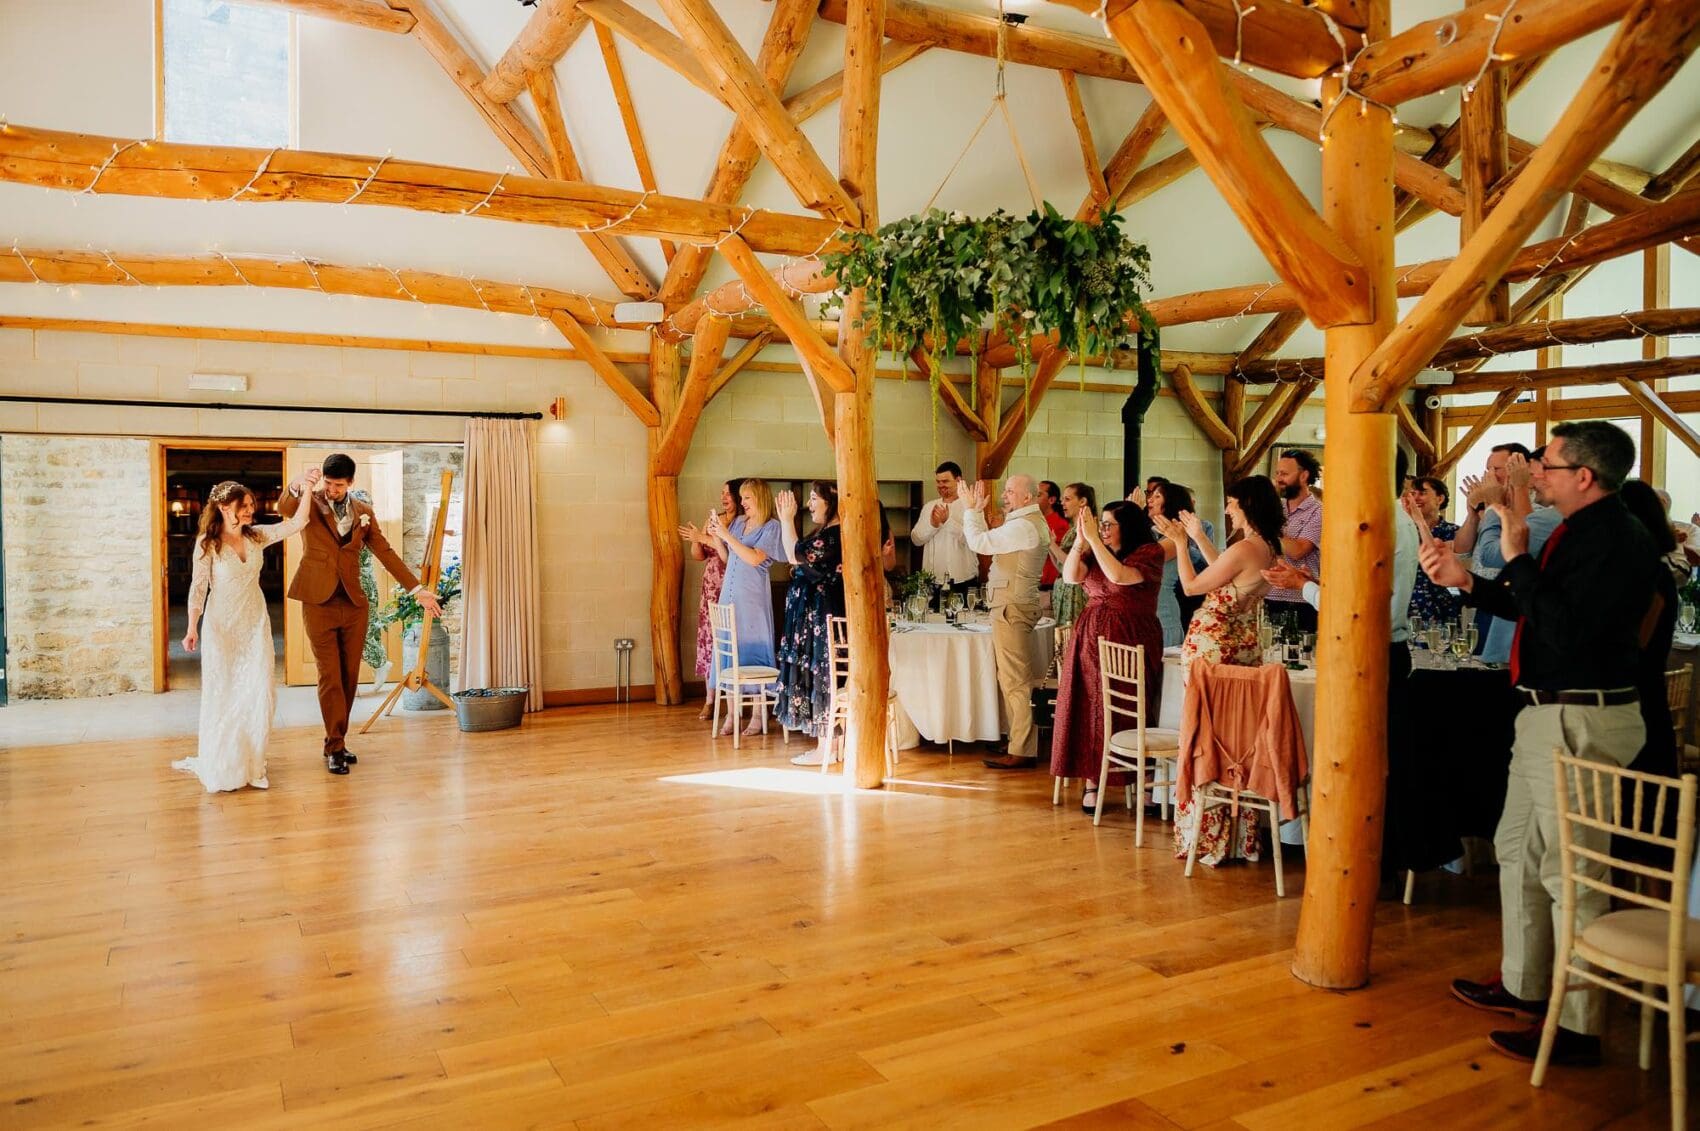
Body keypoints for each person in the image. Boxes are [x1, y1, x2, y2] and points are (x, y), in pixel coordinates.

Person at [1424, 421, 1660, 1069]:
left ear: (1584, 476)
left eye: (1547, 466)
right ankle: (1527, 984)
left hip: (1581, 717)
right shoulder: (1582, 533)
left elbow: (1565, 627)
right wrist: (1468, 582)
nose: (1535, 474)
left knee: (1572, 869)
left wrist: (1521, 554)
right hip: (1543, 712)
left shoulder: (1615, 540)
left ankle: (1578, 1024)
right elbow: (1536, 606)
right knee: (1515, 849)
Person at [1265, 449, 1458, 879]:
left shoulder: (1378, 526)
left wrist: (1305, 586)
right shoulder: (1393, 520)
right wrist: (1310, 584)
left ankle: (1371, 862)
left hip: (1372, 651)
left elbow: (1357, 606)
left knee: (1366, 763)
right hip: (1382, 647)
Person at [278, 454, 439, 776]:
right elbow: (285, 507)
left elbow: (384, 551)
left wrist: (416, 589)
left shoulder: (364, 513)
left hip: (353, 602)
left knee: (349, 676)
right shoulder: (310, 500)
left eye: (338, 485)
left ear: (350, 483)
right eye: (328, 482)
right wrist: (297, 485)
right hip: (317, 600)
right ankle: (334, 747)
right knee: (330, 675)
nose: (332, 489)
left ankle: (337, 739)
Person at [1159, 476, 1283, 865]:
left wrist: (1180, 543)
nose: (1227, 509)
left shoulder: (1246, 546)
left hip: (1212, 648)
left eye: (1231, 503)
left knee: (1203, 736)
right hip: (1243, 647)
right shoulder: (1267, 547)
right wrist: (1197, 536)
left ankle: (1205, 837)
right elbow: (1224, 570)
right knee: (1235, 741)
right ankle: (1238, 837)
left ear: (1245, 505)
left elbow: (1194, 585)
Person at [172, 474, 319, 792]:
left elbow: (298, 522)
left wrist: (307, 487)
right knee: (225, 692)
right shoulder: (207, 543)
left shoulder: (257, 536)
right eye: (245, 506)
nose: (252, 510)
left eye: (252, 505)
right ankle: (225, 762)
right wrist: (191, 627)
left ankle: (253, 763)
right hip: (221, 625)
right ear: (225, 508)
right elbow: (198, 588)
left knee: (260, 688)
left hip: (254, 622)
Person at [1048, 501, 1166, 815]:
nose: (1104, 530)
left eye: (1109, 524)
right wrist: (1080, 542)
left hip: (1132, 637)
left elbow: (1120, 578)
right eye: (1103, 525)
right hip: (1090, 638)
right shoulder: (1096, 547)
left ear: (1127, 526)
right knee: (1090, 707)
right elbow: (1072, 577)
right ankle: (1092, 780)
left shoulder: (1148, 553)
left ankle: (1143, 779)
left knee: (1133, 704)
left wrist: (1096, 542)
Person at [963, 474, 1050, 769]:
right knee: (1012, 678)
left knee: (1017, 681)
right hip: (1012, 605)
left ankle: (1023, 749)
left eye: (1011, 491)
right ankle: (1017, 740)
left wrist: (971, 510)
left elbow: (979, 542)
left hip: (1011, 607)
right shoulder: (1024, 523)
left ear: (1028, 497)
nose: (1004, 496)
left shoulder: (1024, 526)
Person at [705, 478, 785, 737]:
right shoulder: (739, 523)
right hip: (730, 597)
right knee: (729, 654)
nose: (742, 503)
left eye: (747, 498)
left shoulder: (772, 527)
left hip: (752, 602)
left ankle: (759, 715)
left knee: (753, 654)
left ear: (759, 497)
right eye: (741, 498)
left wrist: (727, 535)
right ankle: (732, 713)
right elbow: (730, 558)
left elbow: (753, 558)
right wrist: (718, 537)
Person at [774, 483, 846, 765]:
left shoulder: (831, 537)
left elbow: (794, 555)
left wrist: (786, 520)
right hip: (813, 617)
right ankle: (830, 747)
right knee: (822, 677)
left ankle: (826, 749)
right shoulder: (826, 534)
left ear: (832, 502)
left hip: (822, 617)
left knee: (824, 677)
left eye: (815, 499)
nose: (810, 504)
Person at [1472, 450, 1562, 662]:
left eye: (1498, 470)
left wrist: (1494, 505)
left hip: (1520, 615)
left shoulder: (1547, 514)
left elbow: (1494, 553)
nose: (1491, 477)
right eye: (1488, 470)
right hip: (1499, 602)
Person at [679, 478, 740, 721]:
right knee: (709, 639)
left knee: (730, 638)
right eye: (721, 493)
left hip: (730, 582)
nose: (723, 497)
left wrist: (704, 538)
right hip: (710, 584)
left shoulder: (740, 524)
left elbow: (731, 557)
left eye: (728, 493)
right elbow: (698, 556)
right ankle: (710, 700)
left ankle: (736, 700)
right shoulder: (713, 519)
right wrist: (696, 539)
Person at [1265, 450, 1323, 632]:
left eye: (1284, 474)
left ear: (1304, 475)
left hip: (1300, 599)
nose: (1278, 479)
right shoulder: (1275, 508)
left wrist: (1265, 526)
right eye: (1277, 473)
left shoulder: (1319, 512)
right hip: (1268, 595)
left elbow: (1298, 550)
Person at [1147, 481, 1215, 635]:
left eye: (1157, 496)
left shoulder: (1176, 538)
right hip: (1150, 614)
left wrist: (1131, 516)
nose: (1149, 500)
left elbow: (1142, 559)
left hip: (1167, 614)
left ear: (1170, 502)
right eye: (1150, 495)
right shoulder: (1153, 533)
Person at [910, 461, 978, 594]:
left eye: (945, 481)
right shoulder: (929, 506)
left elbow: (974, 541)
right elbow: (916, 539)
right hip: (932, 581)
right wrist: (933, 525)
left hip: (962, 580)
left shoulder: (970, 506)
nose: (941, 486)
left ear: (958, 480)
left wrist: (947, 521)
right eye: (938, 482)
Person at [1403, 475, 1462, 624]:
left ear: (1439, 499)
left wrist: (1419, 520)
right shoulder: (1403, 529)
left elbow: (1436, 561)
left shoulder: (1453, 531)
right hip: (1403, 605)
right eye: (1412, 494)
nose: (1416, 498)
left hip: (1439, 607)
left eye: (1422, 493)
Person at [1046, 482, 1096, 628]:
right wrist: (1050, 546)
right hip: (1063, 589)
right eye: (1062, 500)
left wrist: (1052, 545)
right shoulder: (1072, 529)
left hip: (1075, 592)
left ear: (1082, 501)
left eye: (1067, 499)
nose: (1063, 504)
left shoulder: (1088, 529)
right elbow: (1061, 568)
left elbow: (1073, 564)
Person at [1038, 480, 1070, 592]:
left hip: (1048, 586)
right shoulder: (1036, 521)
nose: (1033, 498)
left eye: (1038, 495)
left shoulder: (1060, 524)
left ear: (1051, 500)